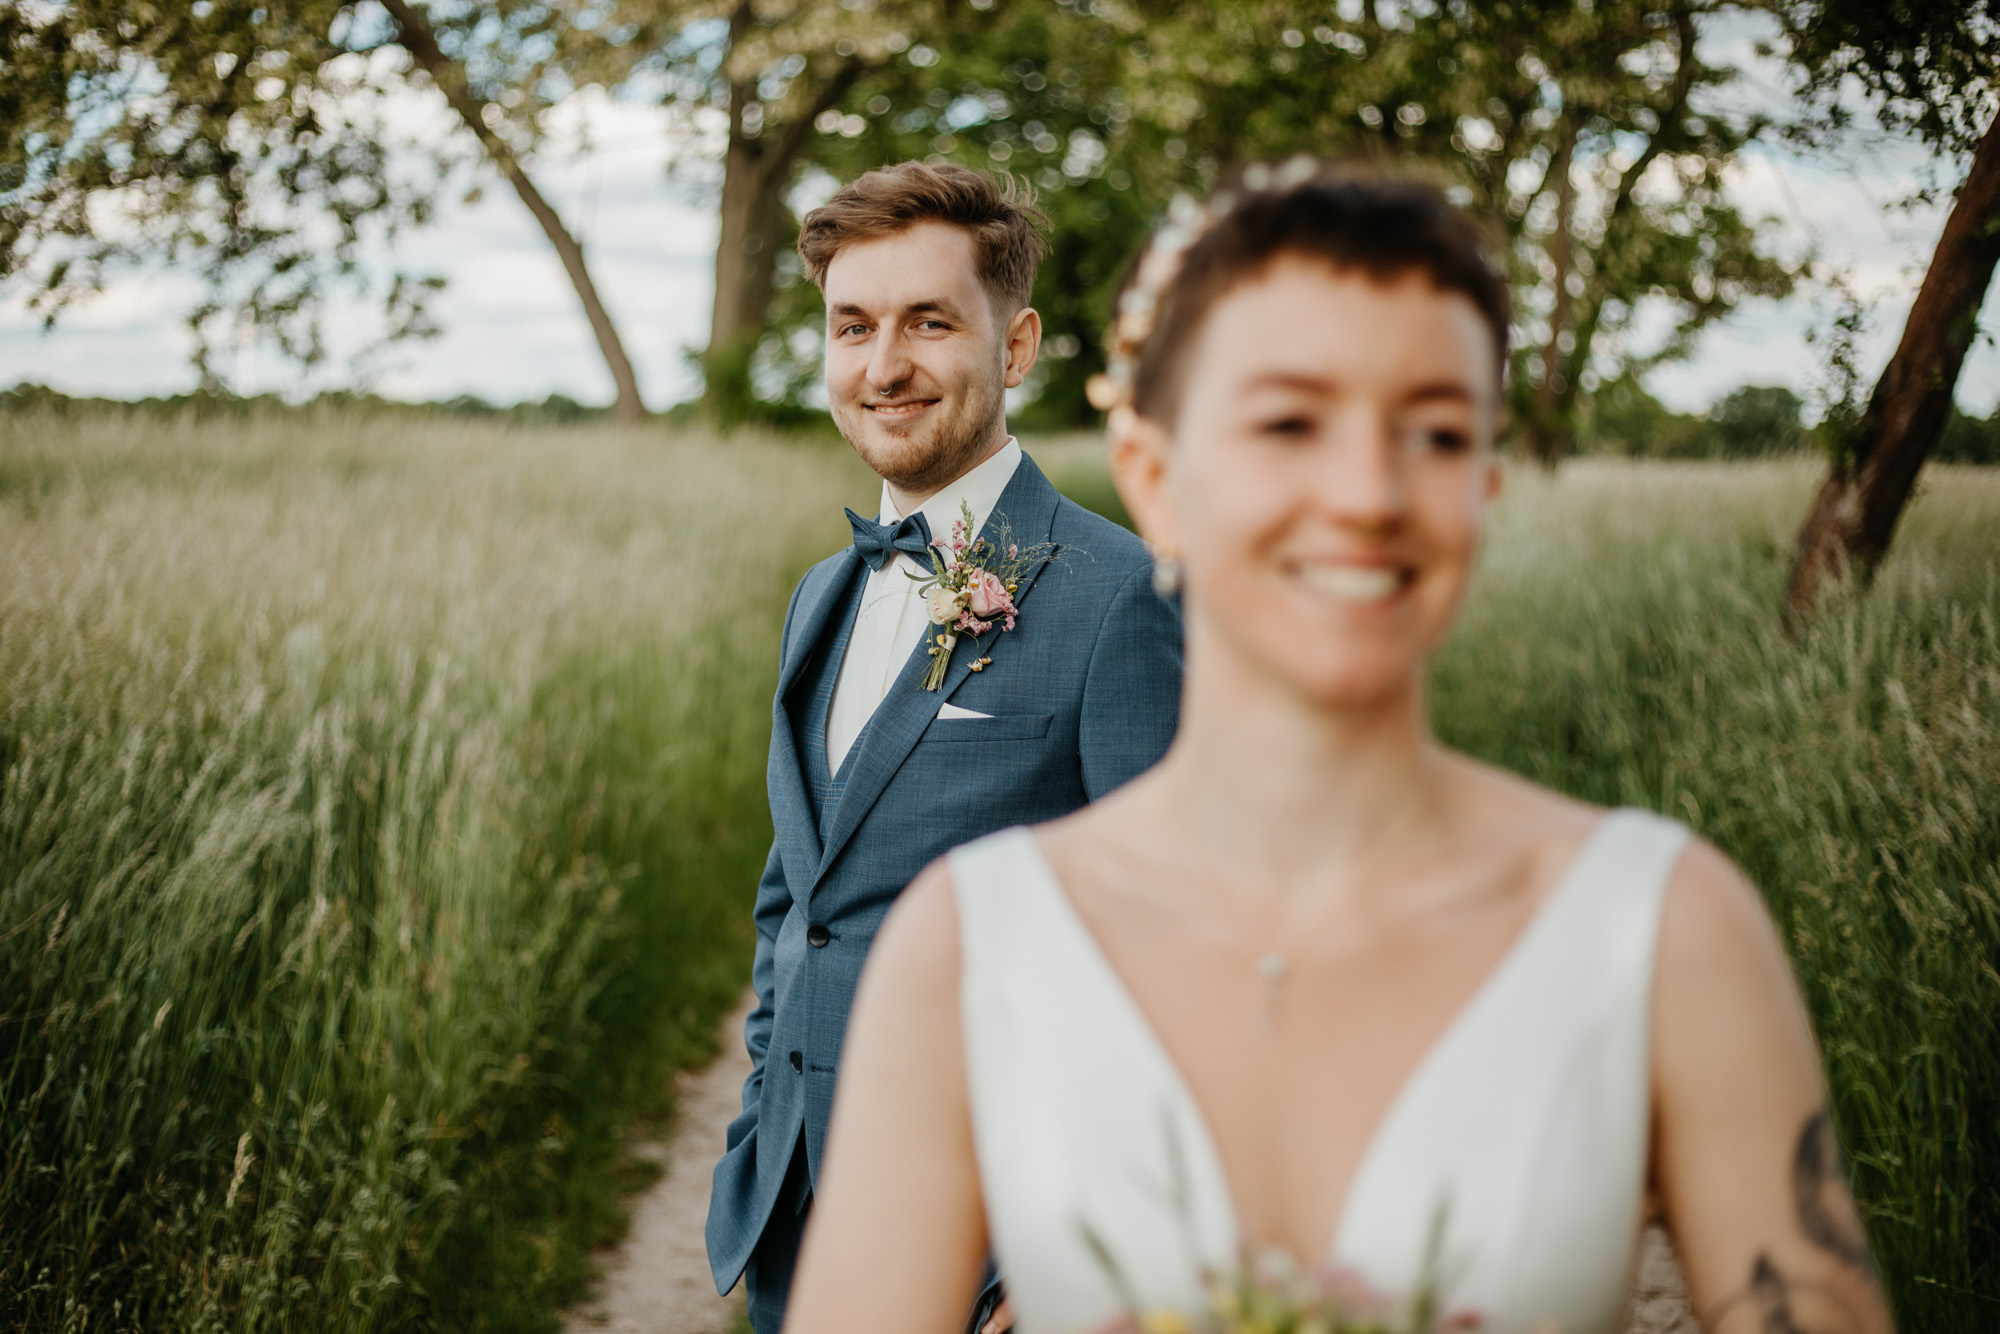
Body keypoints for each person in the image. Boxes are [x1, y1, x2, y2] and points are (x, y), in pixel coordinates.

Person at [783, 166, 1898, 1334]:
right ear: (1156, 480)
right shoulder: (969, 942)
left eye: (1432, 429)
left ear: (1484, 485)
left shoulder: (1664, 929)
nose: (1365, 493)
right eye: (1287, 422)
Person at [703, 160, 1184, 1334]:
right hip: (797, 1212)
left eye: (928, 323)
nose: (883, 367)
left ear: (1013, 347)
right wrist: (766, 1108)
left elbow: (1178, 947)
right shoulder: (823, 592)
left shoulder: (1124, 597)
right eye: (852, 326)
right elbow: (797, 897)